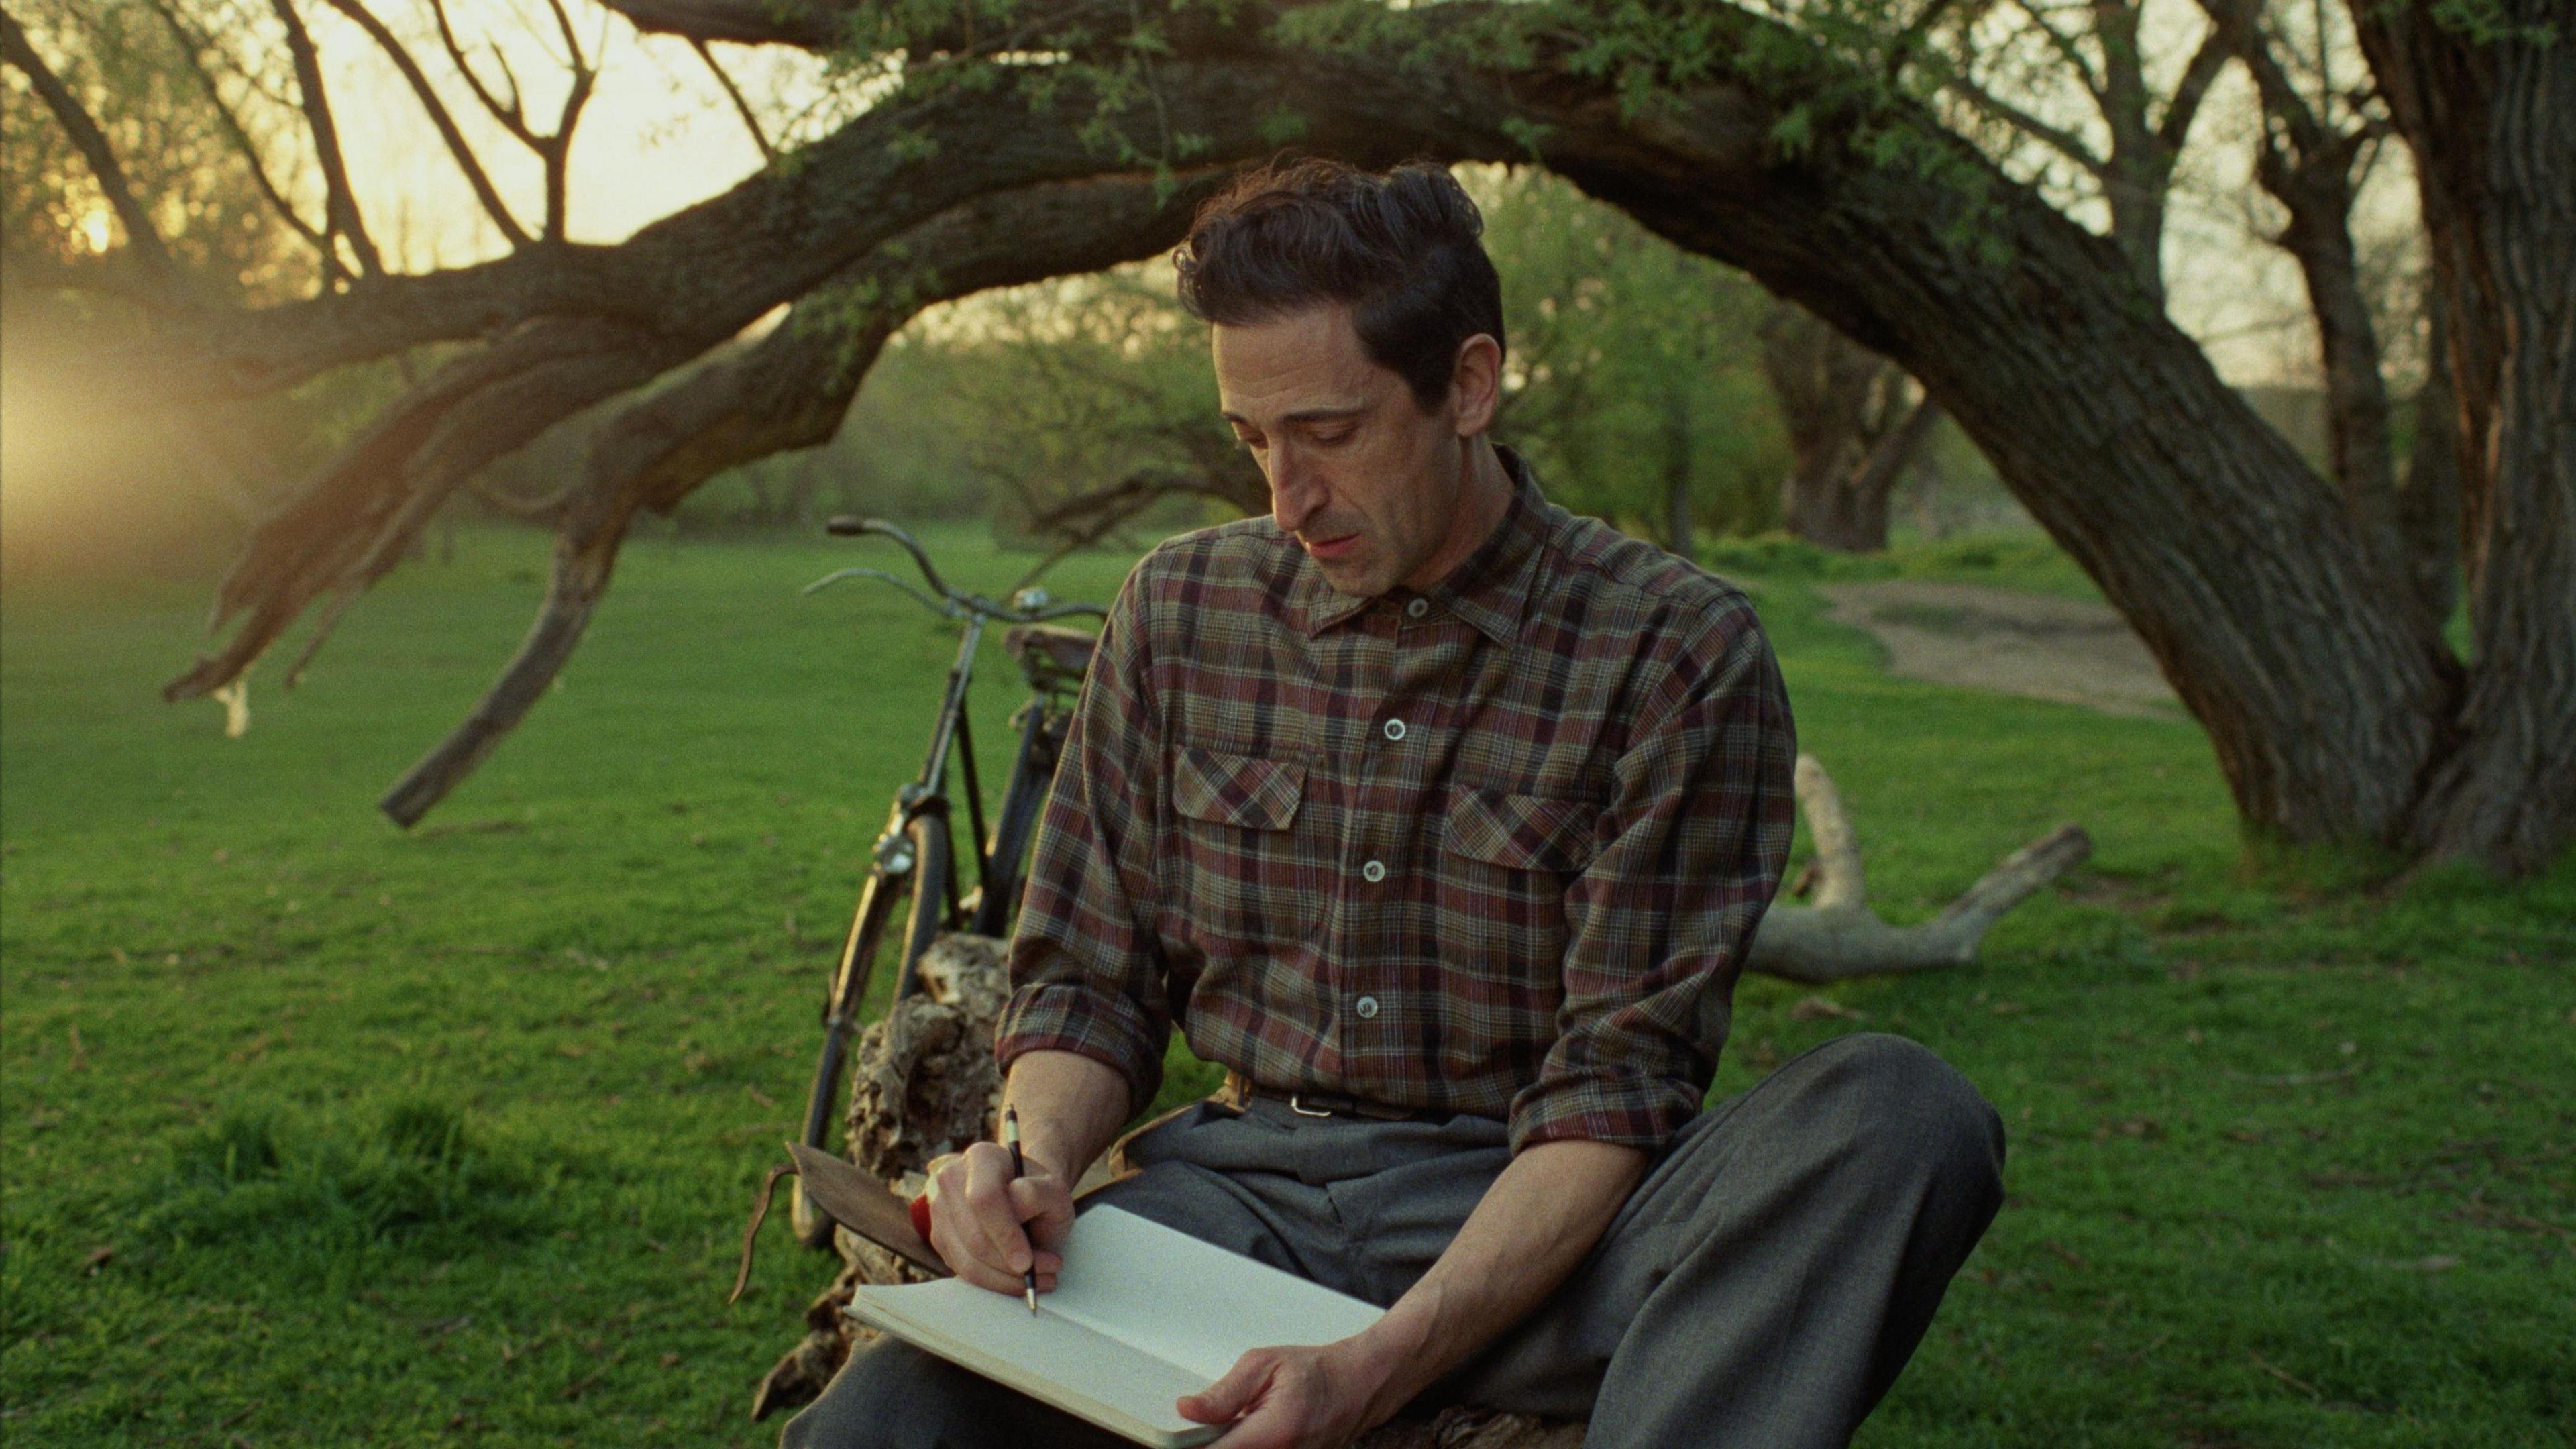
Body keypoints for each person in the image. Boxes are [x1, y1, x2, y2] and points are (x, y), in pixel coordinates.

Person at [781, 157, 2004, 1449]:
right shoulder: (1180, 609)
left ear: (1469, 386)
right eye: (1252, 440)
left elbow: (1616, 1090)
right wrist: (1027, 1166)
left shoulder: (1674, 653)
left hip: (1543, 1224)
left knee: (1899, 1113)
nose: (1285, 499)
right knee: (880, 1430)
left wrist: (1374, 1368)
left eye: (1329, 432)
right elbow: (1087, 981)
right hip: (1232, 1208)